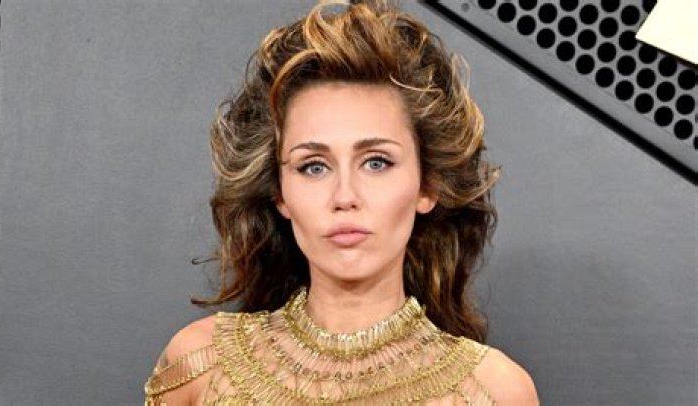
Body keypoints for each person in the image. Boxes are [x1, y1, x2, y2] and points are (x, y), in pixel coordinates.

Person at [144, 1, 539, 404]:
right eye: (314, 167)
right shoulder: (200, 364)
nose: (345, 197)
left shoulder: (495, 391)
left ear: (428, 186)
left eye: (376, 162)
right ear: (279, 193)